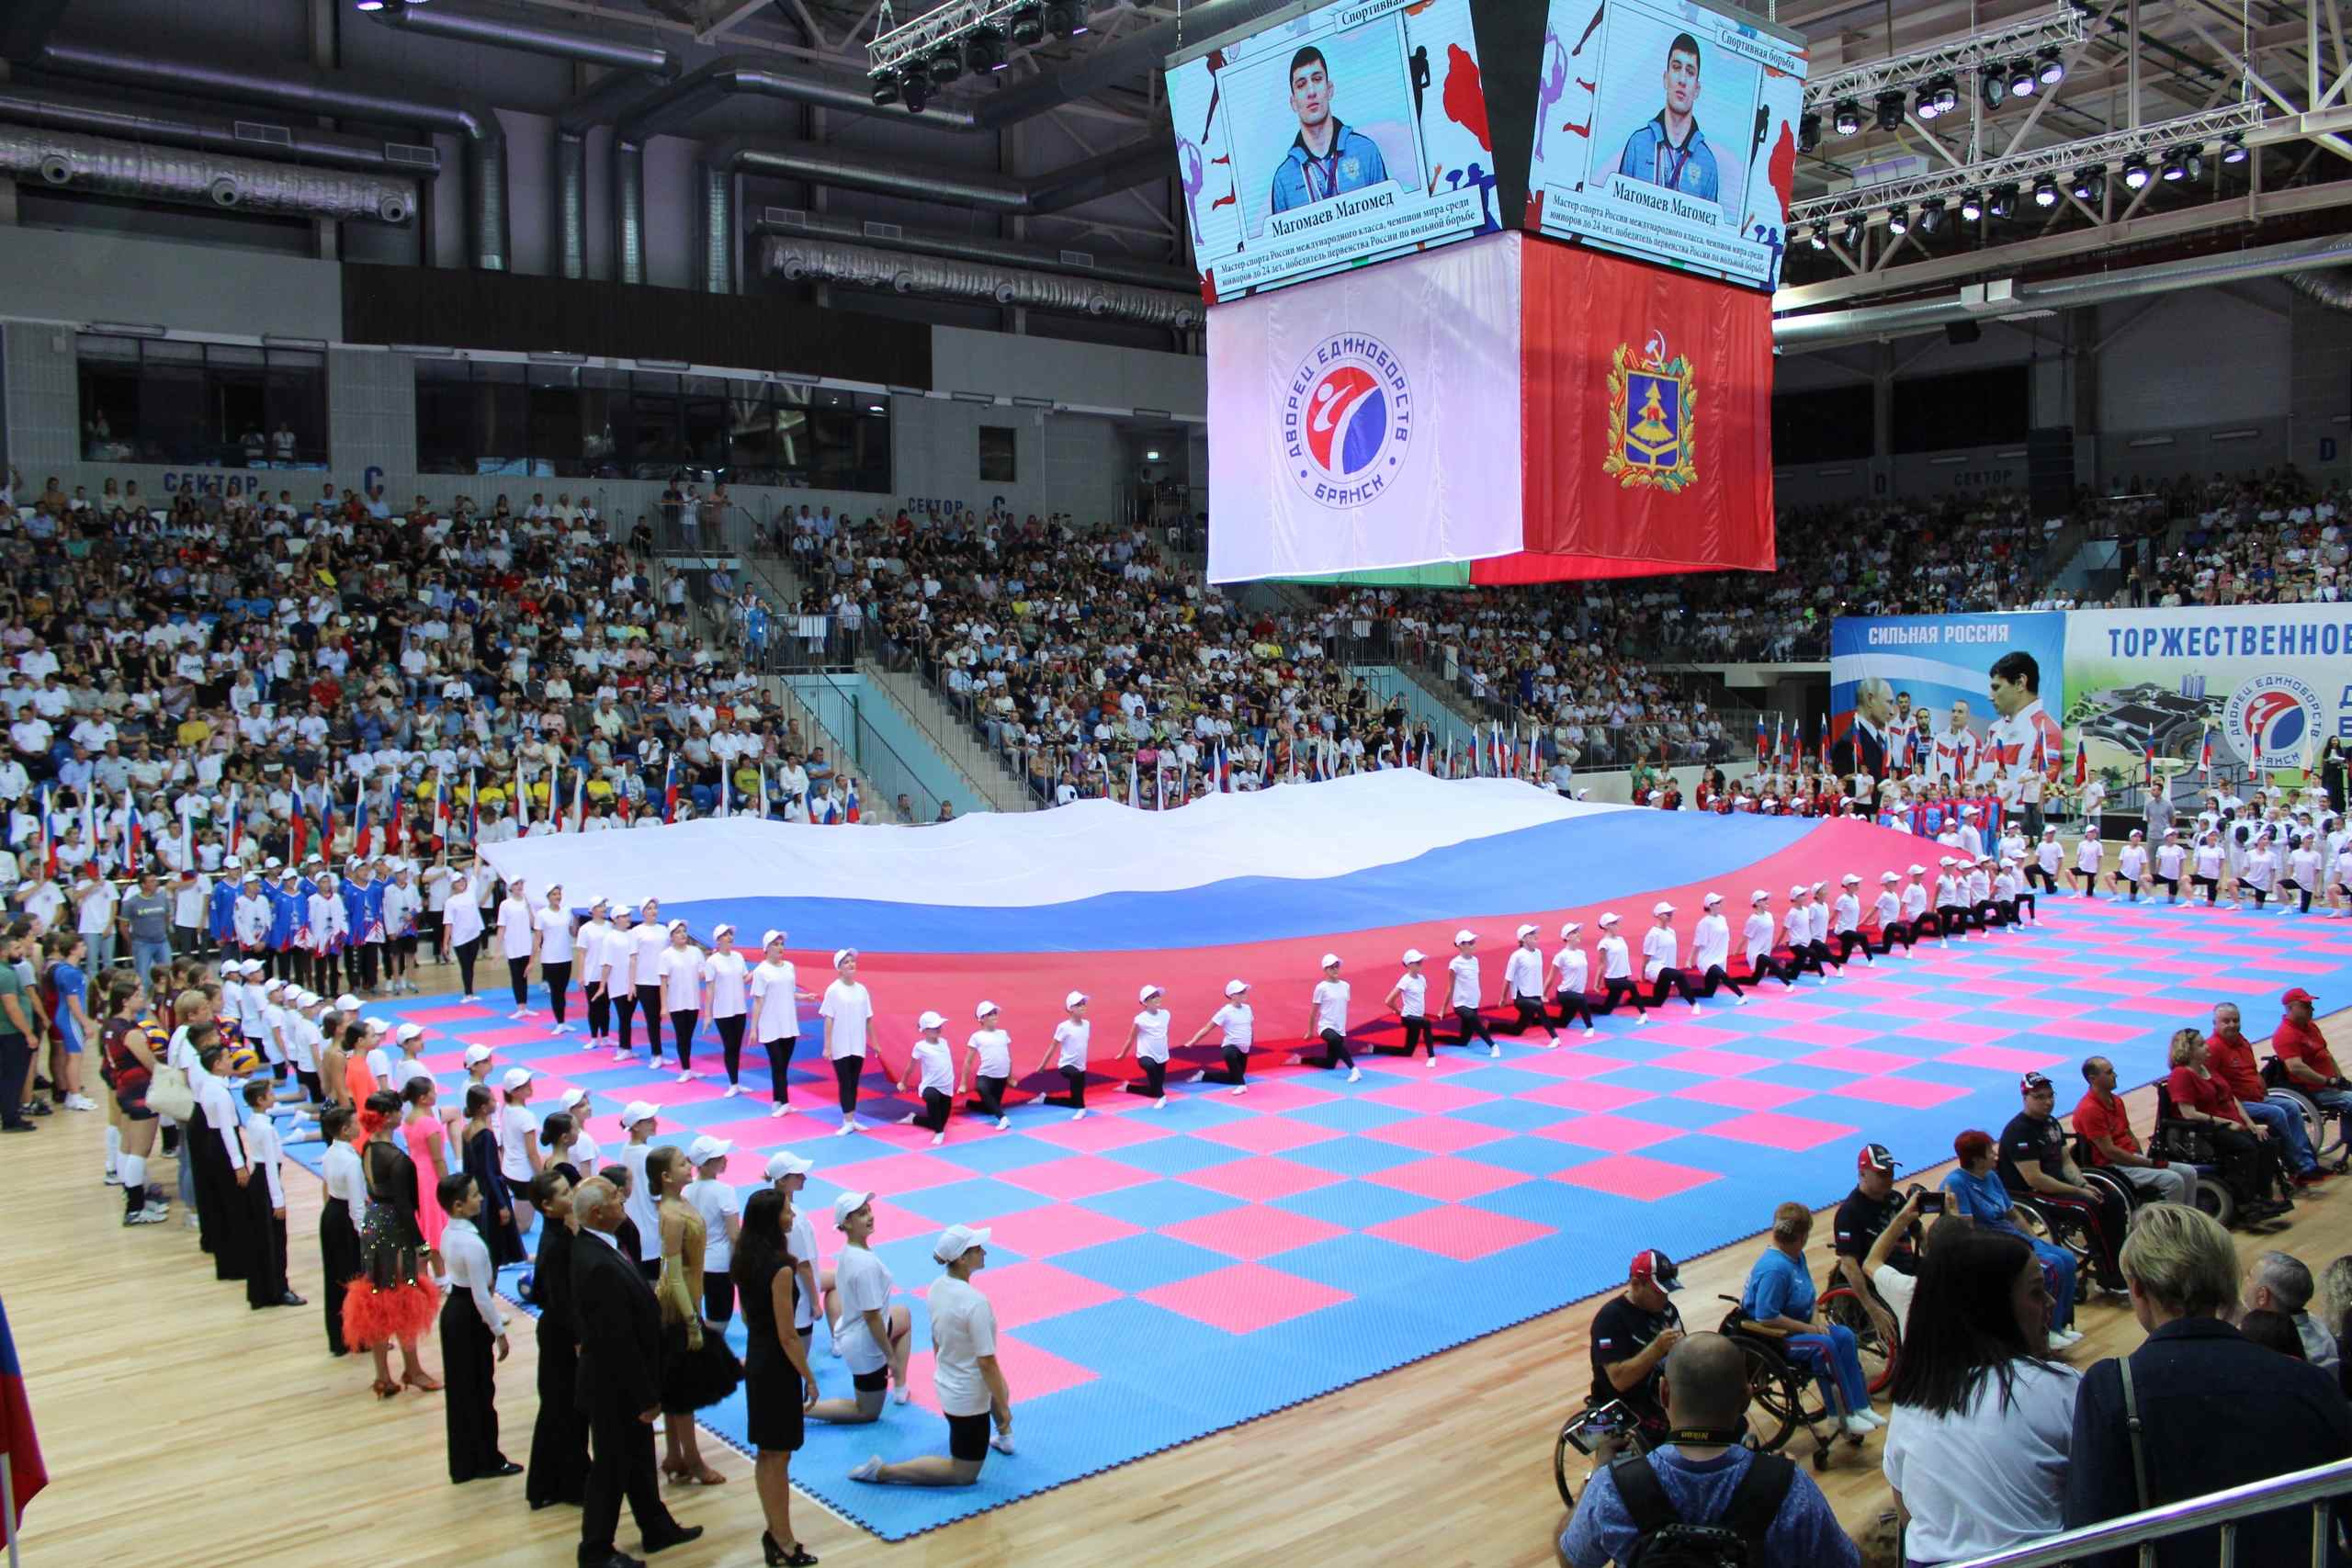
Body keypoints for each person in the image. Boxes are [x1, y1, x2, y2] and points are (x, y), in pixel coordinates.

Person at [2064, 1203, 2352, 1568]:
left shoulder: (2111, 1387)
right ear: (2224, 1283)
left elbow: (2092, 1534)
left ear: (2137, 1288)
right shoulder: (2306, 1380)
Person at [1560, 1333, 1860, 1568]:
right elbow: (1845, 1563)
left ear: (1664, 1392)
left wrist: (1593, 1481)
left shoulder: (1611, 1487)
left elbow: (1571, 1559)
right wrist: (1776, 1478)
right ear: (1746, 1399)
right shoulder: (1791, 1488)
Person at [1881, 1224, 2079, 1565]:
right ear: (1994, 1309)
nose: (2050, 1303)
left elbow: (1907, 1513)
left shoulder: (1912, 1399)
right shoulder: (2060, 1388)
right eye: (2036, 1292)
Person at [570, 1174, 704, 1567]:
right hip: (615, 1389)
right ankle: (594, 1551)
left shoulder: (602, 1246)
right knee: (611, 1469)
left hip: (622, 1382)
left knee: (640, 1459)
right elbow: (617, 1342)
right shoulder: (596, 1263)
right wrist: (645, 1397)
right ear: (597, 1213)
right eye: (614, 1197)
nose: (622, 1198)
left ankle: (656, 1527)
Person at [850, 1224, 1014, 1489]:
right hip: (966, 1397)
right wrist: (1004, 1409)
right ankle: (883, 1472)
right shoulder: (976, 1304)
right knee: (963, 1474)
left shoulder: (937, 1287)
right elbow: (987, 1362)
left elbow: (938, 1341)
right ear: (962, 1259)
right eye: (977, 1249)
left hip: (947, 1381)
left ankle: (1004, 1437)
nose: (984, 1252)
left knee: (997, 1385)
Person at [1739, 1201, 1879, 1438]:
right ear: (1803, 1236)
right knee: (1825, 1346)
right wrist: (1810, 1328)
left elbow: (1810, 1297)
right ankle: (1840, 1414)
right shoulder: (1775, 1269)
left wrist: (1817, 1321)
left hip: (1802, 1326)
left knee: (1844, 1336)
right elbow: (1766, 1316)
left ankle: (1860, 1405)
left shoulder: (1796, 1256)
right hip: (1776, 1338)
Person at [735, 1188, 820, 1566]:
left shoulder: (744, 1258)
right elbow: (789, 1334)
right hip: (777, 1365)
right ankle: (783, 1539)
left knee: (767, 1453)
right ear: (774, 1220)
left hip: (757, 1357)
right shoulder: (781, 1268)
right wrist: (809, 1375)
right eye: (787, 1210)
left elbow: (750, 1318)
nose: (792, 1215)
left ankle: (776, 1533)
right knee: (778, 1456)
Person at [647, 1144, 741, 1484]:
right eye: (683, 1163)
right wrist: (691, 1320)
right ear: (667, 1176)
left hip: (689, 1295)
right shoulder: (671, 1215)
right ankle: (694, 1460)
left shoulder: (682, 1203)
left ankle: (675, 1455)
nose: (690, 1166)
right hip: (678, 1303)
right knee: (684, 1388)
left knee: (677, 1385)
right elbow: (671, 1273)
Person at [343, 1088, 442, 1399]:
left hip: (374, 1223)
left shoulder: (368, 1147)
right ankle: (412, 1368)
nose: (402, 1115)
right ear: (388, 1118)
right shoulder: (399, 1160)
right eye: (398, 1111)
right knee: (405, 1296)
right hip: (396, 1230)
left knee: (376, 1296)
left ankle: (383, 1375)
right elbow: (404, 1207)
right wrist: (421, 1245)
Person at [1940, 1129, 2081, 1348]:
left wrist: (2036, 1240)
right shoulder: (1958, 1184)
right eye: (1991, 1152)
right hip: (1997, 1245)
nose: (1996, 1156)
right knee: (2052, 1267)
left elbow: (2013, 1214)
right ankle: (2045, 1330)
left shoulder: (1992, 1176)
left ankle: (2061, 1324)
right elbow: (1966, 1229)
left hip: (2014, 1236)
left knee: (2068, 1260)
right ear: (1977, 1159)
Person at [2000, 1071, 2128, 1292]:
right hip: (2031, 1193)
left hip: (2056, 1186)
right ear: (2025, 1098)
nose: (2047, 1102)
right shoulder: (2018, 1132)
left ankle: (2120, 1263)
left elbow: (2066, 1160)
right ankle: (2108, 1276)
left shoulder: (2051, 1123)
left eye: (2050, 1096)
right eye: (2040, 1097)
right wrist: (2079, 1193)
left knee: (2112, 1199)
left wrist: (2083, 1184)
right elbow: (2035, 1179)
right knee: (2089, 1208)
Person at [435, 1171, 523, 1484]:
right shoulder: (471, 1243)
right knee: (479, 1390)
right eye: (475, 1195)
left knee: (463, 1393)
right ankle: (486, 1458)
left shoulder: (449, 1233)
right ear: (459, 1205)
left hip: (455, 1312)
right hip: (469, 1316)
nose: (481, 1198)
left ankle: (465, 1460)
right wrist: (499, 1331)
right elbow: (481, 1295)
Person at [2165, 1029, 2293, 1217]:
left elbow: (2232, 1098)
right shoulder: (2181, 1075)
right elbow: (2188, 1113)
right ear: (2189, 1050)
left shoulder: (2207, 1068)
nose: (2207, 1046)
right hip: (2205, 1130)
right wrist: (2225, 1122)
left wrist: (2251, 1124)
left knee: (2268, 1140)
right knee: (2246, 1147)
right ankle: (2246, 1202)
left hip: (2231, 1123)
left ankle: (2263, 1195)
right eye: (2201, 1044)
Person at [811, 1190, 912, 1421]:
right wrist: (891, 1359)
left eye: (868, 1211)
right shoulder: (864, 1265)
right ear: (846, 1222)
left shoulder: (851, 1250)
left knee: (904, 1316)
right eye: (861, 1214)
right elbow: (872, 1317)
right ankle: (798, 1410)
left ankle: (900, 1388)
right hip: (866, 1345)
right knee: (867, 1412)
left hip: (854, 1330)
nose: (870, 1217)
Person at [523, 1168, 587, 1512]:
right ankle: (567, 1483)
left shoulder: (561, 1233)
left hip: (558, 1329)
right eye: (564, 1193)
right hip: (561, 1335)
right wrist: (579, 1341)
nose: (571, 1195)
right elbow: (562, 1298)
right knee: (563, 1409)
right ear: (547, 1206)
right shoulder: (557, 1243)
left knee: (560, 1409)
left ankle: (551, 1483)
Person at [1268, 45, 1390, 214]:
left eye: (1317, 79)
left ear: (1330, 89)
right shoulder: (1284, 178)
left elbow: (1390, 218)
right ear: (1293, 102)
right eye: (1301, 84)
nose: (1311, 92)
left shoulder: (1366, 151)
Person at [2208, 1001, 2321, 1179]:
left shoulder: (2242, 1041)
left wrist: (2265, 1090)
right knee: (2277, 1113)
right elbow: (2212, 1085)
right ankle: (2296, 1164)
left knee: (2291, 1106)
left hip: (2257, 1097)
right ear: (2215, 1024)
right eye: (2226, 1021)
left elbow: (2253, 1071)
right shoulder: (2213, 1048)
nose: (2232, 1025)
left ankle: (2308, 1162)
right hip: (2238, 1104)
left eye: (2235, 1020)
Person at [1587, 1249, 1686, 1445]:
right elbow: (1619, 1380)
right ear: (1636, 1285)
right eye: (1659, 1292)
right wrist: (1656, 1349)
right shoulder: (1609, 1319)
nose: (1665, 1298)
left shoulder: (1667, 1310)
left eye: (1668, 1292)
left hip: (1659, 1395)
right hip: (1619, 1405)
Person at [2073, 1055, 2197, 1207]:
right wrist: (2148, 1163)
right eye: (2109, 1072)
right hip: (2113, 1165)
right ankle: (2171, 1226)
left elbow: (2128, 1134)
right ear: (2093, 1079)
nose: (2115, 1075)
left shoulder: (2116, 1100)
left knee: (2189, 1172)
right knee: (2172, 1180)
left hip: (2130, 1158)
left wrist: (2142, 1158)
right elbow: (2110, 1152)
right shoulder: (2089, 1110)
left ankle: (2191, 1218)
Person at [1612, 31, 1719, 202]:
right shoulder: (1637, 144)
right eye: (1677, 67)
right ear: (1665, 78)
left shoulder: (1707, 163)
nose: (1682, 79)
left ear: (1697, 89)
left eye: (1690, 72)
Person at [1832, 1144, 1920, 1340]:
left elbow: (1920, 1234)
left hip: (1907, 1272)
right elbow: (1849, 1267)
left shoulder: (1897, 1200)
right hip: (1880, 1282)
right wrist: (1871, 1307)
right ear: (1862, 1174)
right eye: (1882, 1174)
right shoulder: (1850, 1213)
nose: (1889, 1178)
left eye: (1891, 1172)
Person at [2273, 986, 2352, 1154]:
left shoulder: (2310, 1026)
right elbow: (2296, 1068)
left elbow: (2326, 1054)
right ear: (2290, 1008)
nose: (2312, 1009)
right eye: (2306, 1006)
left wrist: (2340, 1079)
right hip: (2313, 1090)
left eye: (2310, 1005)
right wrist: (2328, 1081)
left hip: (2329, 1084)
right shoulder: (2285, 1035)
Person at [459, 1084, 526, 1268]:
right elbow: (490, 1172)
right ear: (483, 1107)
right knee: (494, 1243)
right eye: (492, 1099)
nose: (496, 1101)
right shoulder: (486, 1135)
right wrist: (502, 1204)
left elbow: (468, 1168)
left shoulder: (466, 1130)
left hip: (475, 1191)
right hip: (490, 1194)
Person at [2245, 1250, 2341, 1372]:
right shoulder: (2315, 1323)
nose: (2245, 1279)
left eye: (2250, 1275)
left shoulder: (2272, 1349)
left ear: (2262, 1296)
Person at [749, 930, 809, 1120]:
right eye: (776, 944)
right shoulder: (761, 971)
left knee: (783, 1065)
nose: (780, 947)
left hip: (788, 1023)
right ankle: (785, 1102)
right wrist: (753, 1028)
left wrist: (803, 997)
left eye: (782, 943)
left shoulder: (789, 967)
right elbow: (758, 1001)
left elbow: (789, 992)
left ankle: (777, 1100)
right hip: (770, 1025)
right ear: (767, 949)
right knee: (777, 1064)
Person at [684, 1134, 743, 1323]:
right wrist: (738, 1266)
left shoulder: (685, 1190)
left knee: (695, 1317)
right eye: (719, 1158)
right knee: (719, 1320)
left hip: (692, 1262)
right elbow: (734, 1235)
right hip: (719, 1264)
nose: (726, 1160)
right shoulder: (725, 1191)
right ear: (706, 1164)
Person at [318, 1104, 364, 1351]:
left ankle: (339, 1337)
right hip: (347, 1219)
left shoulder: (330, 1153)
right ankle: (360, 1335)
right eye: (355, 1123)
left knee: (334, 1277)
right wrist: (364, 1233)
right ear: (346, 1130)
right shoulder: (351, 1161)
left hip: (331, 1215)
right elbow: (357, 1205)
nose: (359, 1126)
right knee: (355, 1279)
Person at [819, 947, 874, 1134]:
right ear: (839, 968)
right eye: (846, 962)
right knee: (845, 1082)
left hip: (857, 1044)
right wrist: (827, 1046)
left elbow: (868, 1018)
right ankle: (847, 1120)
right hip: (840, 1044)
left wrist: (874, 1042)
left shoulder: (862, 990)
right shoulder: (833, 990)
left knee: (854, 1081)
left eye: (852, 961)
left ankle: (852, 1118)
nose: (851, 964)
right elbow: (828, 1018)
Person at [702, 925, 752, 1097]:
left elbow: (744, 979)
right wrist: (707, 1014)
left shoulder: (738, 957)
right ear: (718, 940)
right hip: (723, 1010)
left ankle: (736, 1082)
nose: (729, 937)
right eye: (725, 935)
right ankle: (733, 1083)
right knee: (729, 1046)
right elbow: (709, 989)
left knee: (737, 1047)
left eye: (730, 934)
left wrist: (759, 971)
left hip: (739, 1008)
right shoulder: (712, 961)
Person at [1295, 953, 1366, 1074]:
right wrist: (1310, 1031)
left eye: (1337, 966)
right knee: (1334, 1040)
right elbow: (1313, 1012)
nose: (1335, 969)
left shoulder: (1345, 986)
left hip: (1340, 1029)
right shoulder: (1321, 988)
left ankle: (1301, 1060)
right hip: (1326, 1027)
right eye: (1331, 967)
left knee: (1330, 1064)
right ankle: (1354, 1069)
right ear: (1325, 969)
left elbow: (1341, 1007)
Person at [1184, 978, 1256, 1093]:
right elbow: (1208, 1027)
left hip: (1244, 1048)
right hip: (1231, 1046)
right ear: (1232, 996)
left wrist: (1251, 1040)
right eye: (1241, 992)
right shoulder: (1225, 1011)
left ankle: (1203, 1076)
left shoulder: (1247, 1009)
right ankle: (1242, 1086)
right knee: (1229, 1054)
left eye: (1244, 991)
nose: (1244, 994)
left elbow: (1249, 1026)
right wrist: (1193, 1041)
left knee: (1234, 1078)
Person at [1035, 989, 1094, 1117]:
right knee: (1077, 1080)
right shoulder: (1064, 1027)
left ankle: (1044, 1099)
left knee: (1074, 1100)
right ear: (1071, 1008)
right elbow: (1053, 1046)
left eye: (1084, 1003)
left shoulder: (1087, 1024)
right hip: (1066, 1065)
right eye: (1079, 1004)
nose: (1083, 1006)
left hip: (1081, 1067)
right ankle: (1082, 1109)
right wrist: (1043, 1065)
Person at [1116, 984, 1174, 1104]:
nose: (1157, 998)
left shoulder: (1166, 1014)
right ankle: (1162, 1098)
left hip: (1162, 1056)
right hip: (1145, 1055)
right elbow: (1131, 1038)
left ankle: (1127, 1087)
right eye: (1153, 997)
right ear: (1145, 1002)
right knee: (1149, 1066)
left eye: (1158, 996)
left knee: (1154, 1090)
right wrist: (1122, 1054)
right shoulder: (1140, 1019)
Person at [962, 999, 1015, 1127]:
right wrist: (963, 1084)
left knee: (990, 1108)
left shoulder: (1003, 1033)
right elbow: (968, 1061)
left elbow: (1008, 1058)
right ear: (981, 1019)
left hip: (1001, 1077)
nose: (994, 1015)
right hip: (985, 1075)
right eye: (990, 1014)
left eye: (995, 1012)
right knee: (981, 1088)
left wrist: (1010, 1077)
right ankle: (1003, 1119)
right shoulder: (977, 1036)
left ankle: (968, 1103)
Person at [534, 883, 577, 1033]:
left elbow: (573, 932)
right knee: (556, 991)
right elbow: (538, 937)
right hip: (550, 958)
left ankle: (563, 1021)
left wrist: (576, 919)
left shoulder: (567, 912)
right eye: (554, 894)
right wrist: (532, 959)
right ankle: (559, 1022)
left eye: (559, 894)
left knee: (563, 990)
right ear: (548, 897)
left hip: (566, 956)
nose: (557, 897)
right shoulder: (542, 914)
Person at [497, 876, 537, 1020]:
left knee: (525, 976)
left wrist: (528, 907)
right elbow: (502, 927)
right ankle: (520, 1006)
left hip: (526, 944)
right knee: (516, 976)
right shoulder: (505, 905)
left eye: (521, 883)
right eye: (516, 884)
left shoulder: (527, 902)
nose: (520, 886)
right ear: (510, 887)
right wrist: (498, 950)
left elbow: (533, 923)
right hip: (512, 945)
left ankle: (524, 1006)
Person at [444, 869, 484, 1001]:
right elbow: (448, 923)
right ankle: (468, 993)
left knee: (470, 964)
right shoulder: (450, 902)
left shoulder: (471, 891)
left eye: (462, 880)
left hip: (474, 935)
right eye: (457, 881)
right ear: (453, 885)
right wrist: (445, 943)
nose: (461, 883)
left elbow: (477, 870)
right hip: (460, 938)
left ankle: (470, 991)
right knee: (465, 965)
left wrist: (478, 851)